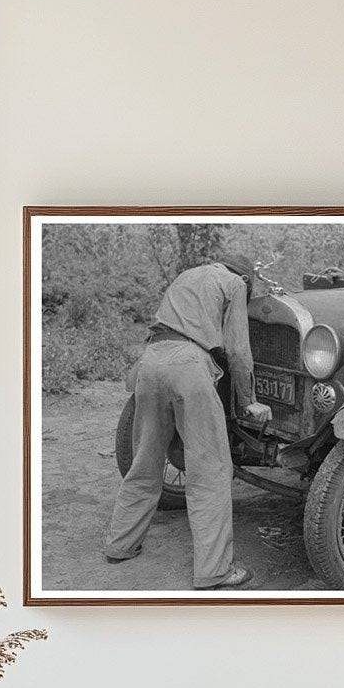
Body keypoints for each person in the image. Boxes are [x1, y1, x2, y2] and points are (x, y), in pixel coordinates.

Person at [104, 252, 272, 589]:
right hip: (189, 365)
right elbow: (238, 351)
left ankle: (120, 544)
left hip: (151, 363)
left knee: (144, 461)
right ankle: (215, 571)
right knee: (210, 472)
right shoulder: (235, 283)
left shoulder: (188, 275)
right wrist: (250, 401)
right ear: (244, 276)